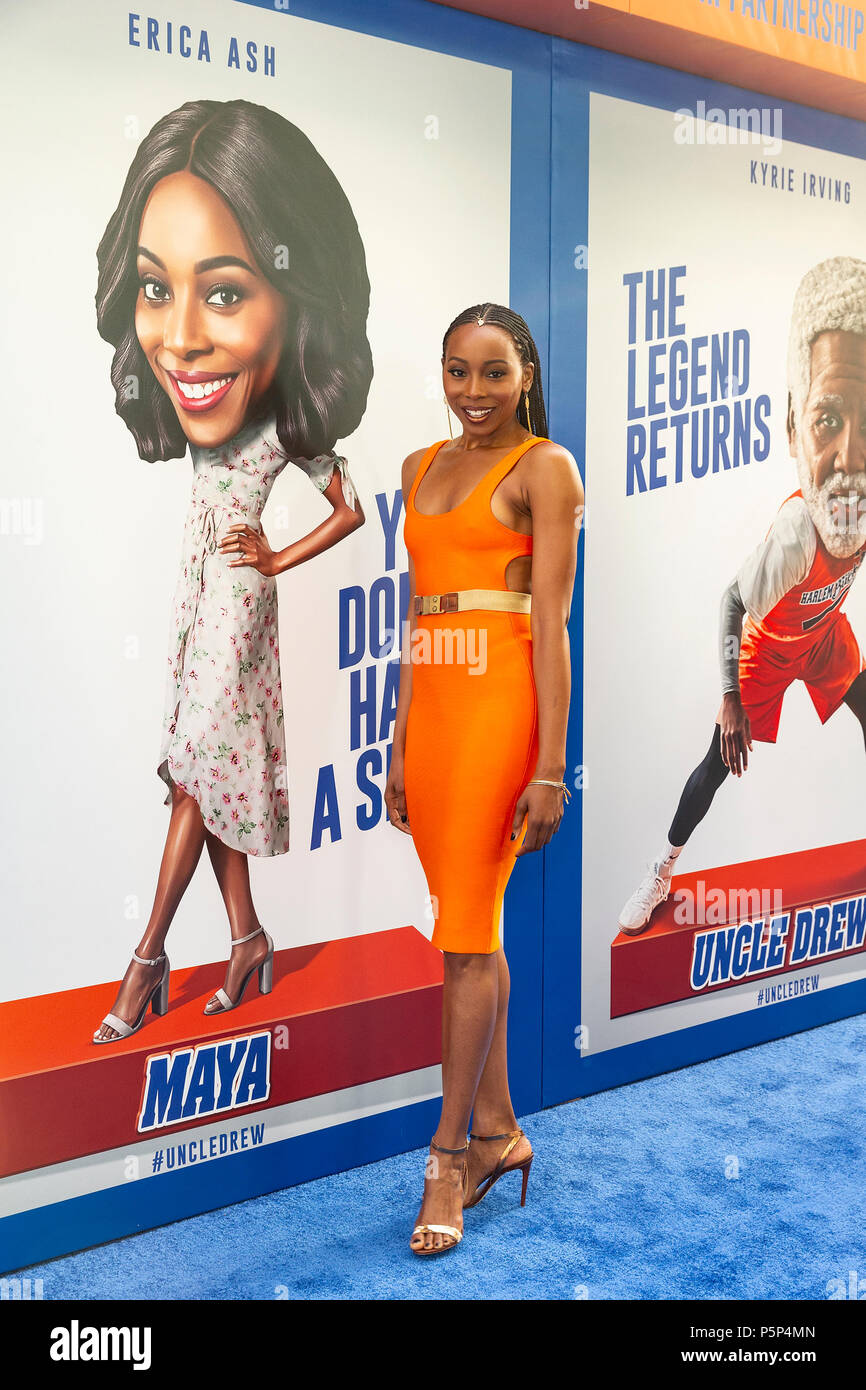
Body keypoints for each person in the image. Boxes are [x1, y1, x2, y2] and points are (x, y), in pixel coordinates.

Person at [92, 99, 371, 1041]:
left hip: (238, 597)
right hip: (195, 591)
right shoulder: (202, 400)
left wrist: (277, 559)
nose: (178, 338)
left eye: (222, 292)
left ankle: (148, 959)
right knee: (202, 777)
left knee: (191, 772)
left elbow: (353, 510)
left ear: (296, 294)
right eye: (153, 287)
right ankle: (248, 938)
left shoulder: (288, 414)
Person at [386, 303, 582, 1253]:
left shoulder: (546, 470)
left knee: (465, 940)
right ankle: (502, 1131)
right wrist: (397, 741)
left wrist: (551, 766)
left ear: (527, 375)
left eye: (494, 372)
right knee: (470, 933)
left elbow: (550, 626)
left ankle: (448, 1159)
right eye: (458, 371)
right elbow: (415, 624)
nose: (474, 393)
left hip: (502, 719)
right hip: (435, 720)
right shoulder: (418, 468)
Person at [618, 256, 866, 936]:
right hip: (768, 646)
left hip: (821, 639)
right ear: (795, 425)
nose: (851, 456)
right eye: (829, 421)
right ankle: (663, 867)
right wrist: (730, 700)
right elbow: (731, 600)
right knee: (716, 765)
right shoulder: (795, 533)